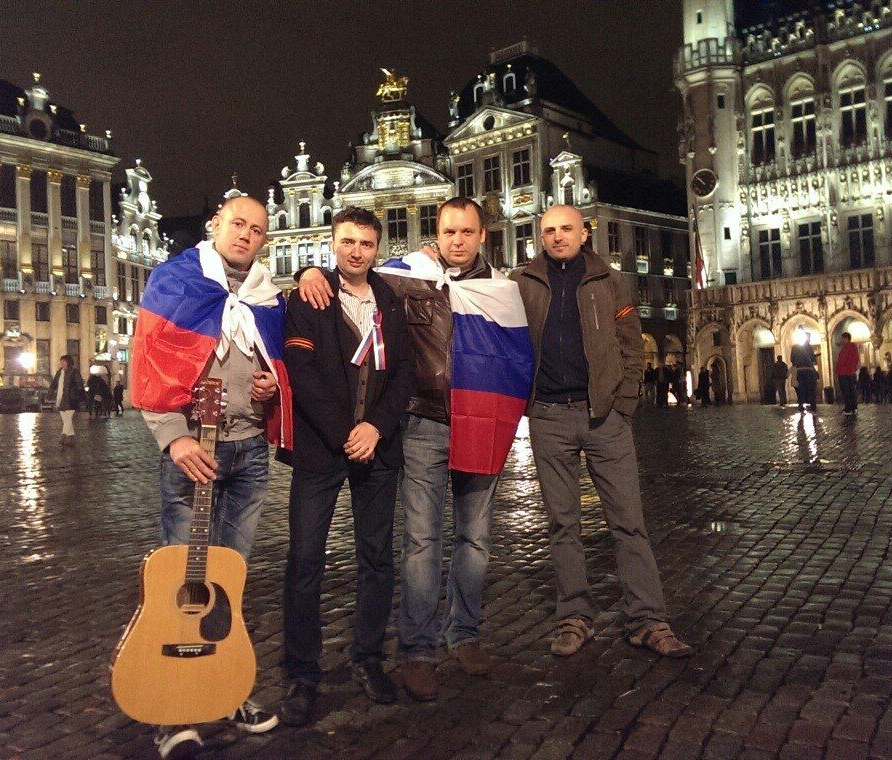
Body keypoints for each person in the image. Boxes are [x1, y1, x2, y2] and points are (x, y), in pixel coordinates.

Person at [294, 197, 533, 702]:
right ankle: (418, 649)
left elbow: (519, 359)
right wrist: (307, 271)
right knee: (421, 540)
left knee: (475, 538)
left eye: (466, 232)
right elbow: (352, 270)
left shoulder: (504, 289)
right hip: (424, 421)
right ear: (436, 235)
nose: (457, 240)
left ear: (482, 235)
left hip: (480, 423)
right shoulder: (409, 277)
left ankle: (464, 633)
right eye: (449, 231)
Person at [132, 194, 287, 757]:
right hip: (194, 448)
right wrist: (173, 437)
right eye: (237, 223)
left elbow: (277, 362)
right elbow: (149, 359)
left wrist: (273, 386)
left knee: (229, 580)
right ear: (215, 225)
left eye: (257, 229)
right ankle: (172, 709)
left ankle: (226, 687)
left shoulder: (267, 294)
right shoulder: (177, 280)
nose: (246, 234)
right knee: (180, 578)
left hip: (250, 449)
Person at [511, 204, 689, 659]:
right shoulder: (521, 282)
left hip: (604, 418)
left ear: (584, 233)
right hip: (549, 416)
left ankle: (647, 619)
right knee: (562, 524)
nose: (557, 236)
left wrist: (623, 403)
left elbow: (631, 344)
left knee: (629, 521)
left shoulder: (611, 281)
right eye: (549, 230)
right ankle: (574, 617)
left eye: (566, 229)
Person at [279, 207, 414, 726]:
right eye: (348, 241)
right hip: (322, 450)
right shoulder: (308, 297)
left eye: (366, 243)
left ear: (378, 248)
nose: (356, 251)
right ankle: (302, 673)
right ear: (332, 244)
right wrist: (345, 432)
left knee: (376, 558)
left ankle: (368, 657)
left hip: (377, 448)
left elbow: (404, 373)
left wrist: (375, 427)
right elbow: (302, 373)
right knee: (305, 559)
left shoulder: (391, 300)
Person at [49, 356, 84, 446]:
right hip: (60, 398)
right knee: (65, 419)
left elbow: (79, 384)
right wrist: (49, 395)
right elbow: (54, 384)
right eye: (61, 361)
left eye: (63, 361)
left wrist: (80, 396)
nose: (62, 363)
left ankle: (63, 436)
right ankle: (71, 438)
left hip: (71, 398)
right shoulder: (59, 372)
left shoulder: (74, 372)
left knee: (68, 418)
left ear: (68, 362)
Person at [834, 332, 859, 415]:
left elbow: (843, 360)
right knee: (851, 391)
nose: (841, 340)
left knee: (846, 391)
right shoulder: (853, 347)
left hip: (844, 372)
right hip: (850, 372)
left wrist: (837, 369)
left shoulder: (847, 347)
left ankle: (848, 409)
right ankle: (853, 408)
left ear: (845, 338)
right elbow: (856, 359)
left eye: (842, 338)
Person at [790, 338, 818, 413]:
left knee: (800, 389)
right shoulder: (808, 347)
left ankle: (801, 405)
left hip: (799, 370)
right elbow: (812, 359)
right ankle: (813, 407)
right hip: (809, 370)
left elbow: (792, 359)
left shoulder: (794, 347)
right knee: (811, 389)